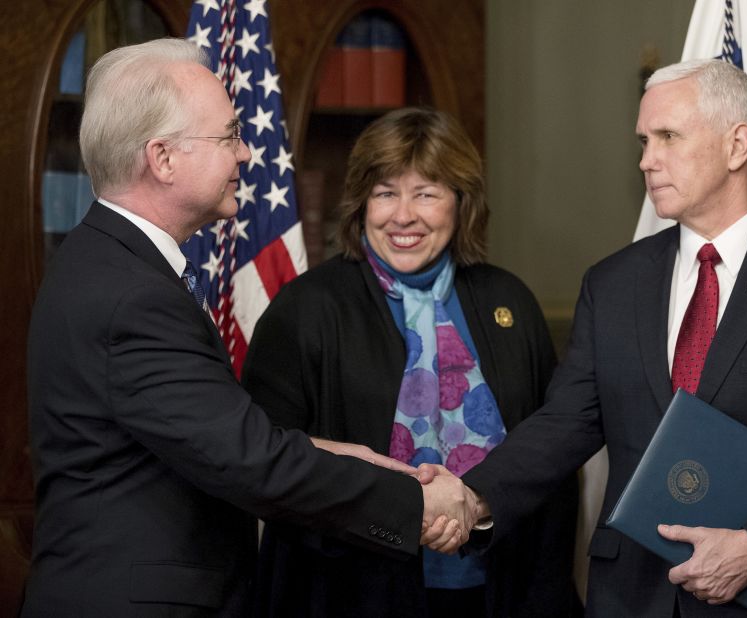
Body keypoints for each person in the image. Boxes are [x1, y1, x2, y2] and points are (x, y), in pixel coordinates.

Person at [458, 58, 747, 617]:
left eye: (668, 137)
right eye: (644, 140)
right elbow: (568, 423)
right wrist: (473, 495)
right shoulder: (612, 282)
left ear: (737, 145)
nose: (646, 160)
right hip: (633, 595)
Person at [22, 40, 470, 617]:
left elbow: (220, 432)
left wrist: (368, 461)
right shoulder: (131, 295)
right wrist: (414, 499)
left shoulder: (112, 264)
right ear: (162, 159)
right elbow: (251, 460)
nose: (247, 153)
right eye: (229, 135)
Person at [241, 106, 579, 617]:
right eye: (385, 193)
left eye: (426, 193)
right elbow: (268, 464)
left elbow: (551, 462)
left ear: (461, 204)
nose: (403, 215)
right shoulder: (305, 310)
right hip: (345, 595)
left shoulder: (510, 302)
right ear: (360, 206)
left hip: (496, 592)